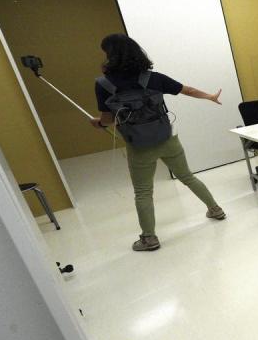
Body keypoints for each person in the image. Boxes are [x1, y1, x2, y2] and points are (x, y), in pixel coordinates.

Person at [91, 33, 226, 252]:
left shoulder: (103, 84)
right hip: (167, 140)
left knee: (143, 191)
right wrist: (210, 96)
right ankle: (216, 209)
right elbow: (188, 90)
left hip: (139, 147)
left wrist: (98, 123)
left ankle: (149, 239)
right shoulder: (152, 78)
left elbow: (107, 120)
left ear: (109, 56)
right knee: (188, 177)